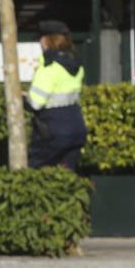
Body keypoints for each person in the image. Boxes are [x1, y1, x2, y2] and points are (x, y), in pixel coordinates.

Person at [25, 20, 88, 171]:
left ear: (47, 40)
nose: (40, 43)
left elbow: (35, 103)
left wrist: (21, 98)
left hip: (53, 132)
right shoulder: (76, 65)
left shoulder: (48, 67)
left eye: (41, 38)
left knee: (35, 173)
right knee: (66, 176)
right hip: (76, 129)